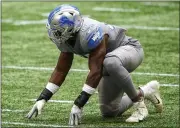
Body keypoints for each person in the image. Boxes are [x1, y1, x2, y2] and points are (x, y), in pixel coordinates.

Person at [26, 4, 163, 125]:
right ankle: (146, 91)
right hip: (108, 65)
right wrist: (43, 98)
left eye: (58, 30)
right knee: (109, 111)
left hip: (131, 50)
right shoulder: (68, 37)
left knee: (110, 61)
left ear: (70, 29)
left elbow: (95, 71)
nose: (55, 33)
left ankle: (139, 106)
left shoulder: (90, 31)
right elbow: (61, 70)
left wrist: (79, 104)